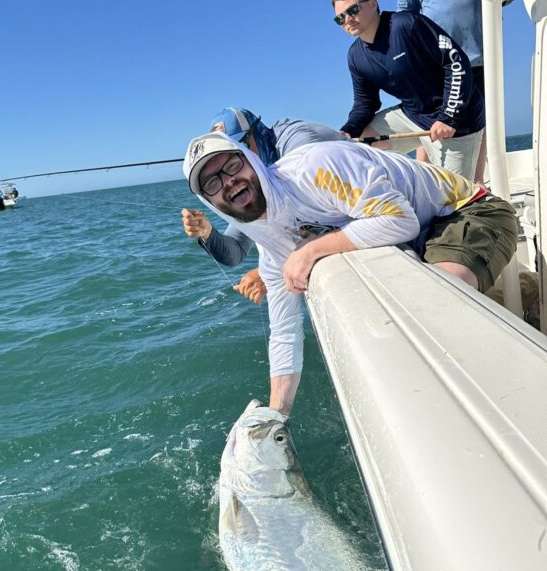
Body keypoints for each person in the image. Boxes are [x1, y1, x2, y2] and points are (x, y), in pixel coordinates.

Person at [183, 129, 517, 417]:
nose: (229, 181)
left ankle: (512, 391)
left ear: (251, 159)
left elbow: (400, 220)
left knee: (437, 304)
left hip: (466, 210)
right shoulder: (271, 245)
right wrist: (276, 414)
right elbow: (284, 330)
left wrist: (311, 250)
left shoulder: (313, 169)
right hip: (418, 239)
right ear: (209, 201)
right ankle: (500, 295)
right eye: (213, 182)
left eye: (232, 165)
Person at [181, 107, 344, 303]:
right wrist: (207, 233)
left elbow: (332, 217)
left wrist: (266, 273)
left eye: (240, 148)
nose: (230, 178)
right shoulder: (256, 183)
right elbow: (235, 253)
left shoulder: (298, 145)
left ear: (258, 133)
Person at [397, 0, 507, 181]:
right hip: (437, 65)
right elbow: (405, 18)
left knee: (479, 126)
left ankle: (477, 187)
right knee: (432, 124)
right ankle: (425, 184)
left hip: (482, 58)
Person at [333, 0, 485, 180]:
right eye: (340, 18)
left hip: (457, 121)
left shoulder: (407, 24)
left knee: (455, 197)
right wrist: (347, 130)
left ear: (372, 3)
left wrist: (448, 117)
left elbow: (456, 63)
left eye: (352, 11)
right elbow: (365, 103)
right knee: (357, 143)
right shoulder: (355, 55)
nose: (347, 20)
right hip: (414, 116)